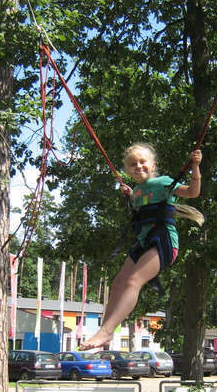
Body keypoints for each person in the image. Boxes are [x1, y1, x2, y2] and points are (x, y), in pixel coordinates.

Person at [80, 142, 202, 350]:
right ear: (128, 171)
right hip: (144, 242)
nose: (138, 166)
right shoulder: (137, 191)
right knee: (118, 283)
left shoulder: (164, 182)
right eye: (133, 164)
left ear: (152, 165)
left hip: (163, 241)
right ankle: (105, 332)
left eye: (142, 162)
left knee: (134, 280)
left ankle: (107, 331)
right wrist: (130, 195)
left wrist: (195, 167)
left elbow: (192, 192)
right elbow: (143, 204)